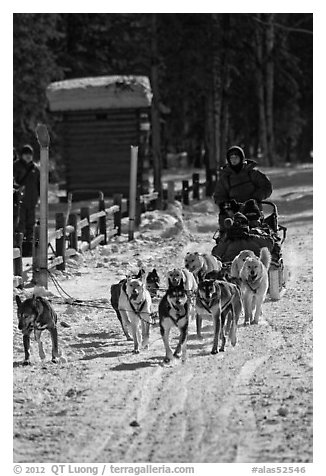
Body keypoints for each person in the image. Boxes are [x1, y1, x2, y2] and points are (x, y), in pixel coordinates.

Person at [214, 146, 272, 234]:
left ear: (241, 158)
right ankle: (224, 240)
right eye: (231, 158)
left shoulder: (252, 173)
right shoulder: (225, 178)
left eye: (236, 157)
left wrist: (256, 198)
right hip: (233, 211)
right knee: (227, 224)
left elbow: (266, 187)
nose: (234, 160)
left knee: (255, 229)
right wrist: (228, 204)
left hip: (253, 209)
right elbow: (219, 196)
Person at [13, 144, 40, 254]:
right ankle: (18, 248)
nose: (28, 156)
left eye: (30, 154)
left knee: (31, 224)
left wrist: (39, 197)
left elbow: (39, 184)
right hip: (19, 201)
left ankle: (29, 247)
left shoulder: (35, 168)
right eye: (26, 154)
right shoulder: (15, 166)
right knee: (20, 224)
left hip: (32, 200)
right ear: (22, 155)